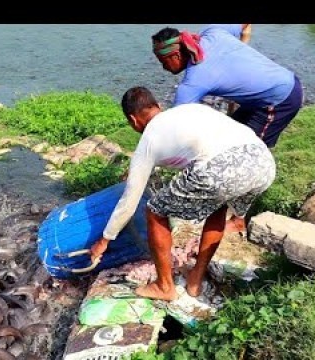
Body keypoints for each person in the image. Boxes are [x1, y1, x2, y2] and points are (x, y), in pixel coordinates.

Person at [89, 86, 276, 301]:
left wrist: (104, 241)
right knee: (219, 204)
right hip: (262, 161)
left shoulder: (148, 140)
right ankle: (195, 280)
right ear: (158, 106)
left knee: (154, 211)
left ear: (133, 120)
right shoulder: (191, 110)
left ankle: (164, 286)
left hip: (221, 169)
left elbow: (129, 201)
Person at [151, 24, 303, 233]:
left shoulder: (195, 80)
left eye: (163, 61)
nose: (163, 68)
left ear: (176, 55)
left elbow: (173, 126)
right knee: (230, 142)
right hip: (271, 90)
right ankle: (228, 209)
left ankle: (240, 218)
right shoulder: (212, 32)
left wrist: (151, 153)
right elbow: (244, 25)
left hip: (278, 101)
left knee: (247, 157)